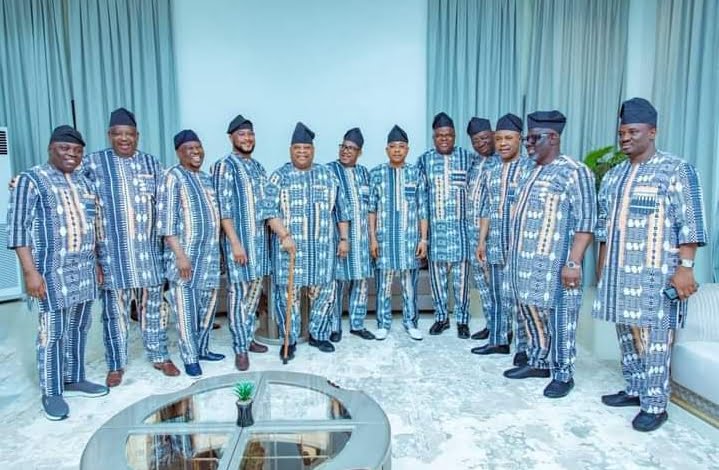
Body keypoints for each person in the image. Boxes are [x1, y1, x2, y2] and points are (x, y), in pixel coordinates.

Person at [594, 98, 707, 432]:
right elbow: (603, 228)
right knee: (627, 335)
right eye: (621, 132)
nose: (625, 137)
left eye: (633, 131)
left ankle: (656, 404)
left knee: (655, 339)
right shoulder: (614, 176)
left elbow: (690, 222)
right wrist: (602, 269)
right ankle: (634, 389)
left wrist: (685, 267)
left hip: (657, 276)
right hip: (618, 274)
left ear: (652, 132)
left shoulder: (676, 170)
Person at [7, 125, 109, 420]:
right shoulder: (31, 180)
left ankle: (74, 378)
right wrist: (30, 273)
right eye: (65, 149)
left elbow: (94, 225)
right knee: (51, 332)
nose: (72, 155)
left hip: (85, 268)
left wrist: (98, 264)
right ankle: (51, 390)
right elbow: (17, 230)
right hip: (49, 271)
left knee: (79, 327)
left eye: (77, 151)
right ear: (51, 148)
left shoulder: (83, 182)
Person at [503, 111, 596, 398]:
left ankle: (562, 373)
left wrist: (573, 262)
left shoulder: (574, 171)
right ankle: (538, 361)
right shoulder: (530, 171)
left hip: (556, 265)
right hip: (523, 263)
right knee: (530, 313)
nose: (528, 144)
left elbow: (586, 221)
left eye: (533, 138)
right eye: (527, 138)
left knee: (560, 318)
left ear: (553, 138)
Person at [85, 107, 179, 387]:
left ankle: (160, 355)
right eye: (118, 134)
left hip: (148, 255)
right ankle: (116, 364)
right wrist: (19, 181)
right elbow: (66, 184)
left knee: (154, 310)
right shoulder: (92, 164)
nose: (124, 139)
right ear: (109, 135)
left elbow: (165, 205)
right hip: (112, 256)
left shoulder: (152, 164)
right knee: (115, 314)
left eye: (129, 134)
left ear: (137, 136)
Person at [260, 122, 351, 360]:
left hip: (322, 250)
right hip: (289, 249)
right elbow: (269, 211)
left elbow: (341, 211)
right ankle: (288, 339)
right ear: (291, 150)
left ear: (313, 150)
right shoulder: (279, 176)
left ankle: (318, 335)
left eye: (306, 148)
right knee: (288, 296)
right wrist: (284, 235)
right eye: (297, 148)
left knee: (325, 292)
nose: (302, 152)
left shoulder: (327, 175)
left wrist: (343, 238)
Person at [157, 130, 222, 377]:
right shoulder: (172, 177)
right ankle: (190, 357)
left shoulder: (206, 179)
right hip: (185, 257)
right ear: (178, 152)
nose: (195, 152)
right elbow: (166, 222)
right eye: (189, 149)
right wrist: (180, 255)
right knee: (186, 309)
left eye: (198, 148)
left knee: (207, 307)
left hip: (209, 256)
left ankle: (203, 348)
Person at [473, 113, 535, 364]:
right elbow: (486, 208)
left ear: (519, 139)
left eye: (508, 138)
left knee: (520, 298)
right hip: (496, 242)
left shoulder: (531, 167)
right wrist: (481, 241)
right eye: (498, 139)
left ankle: (523, 347)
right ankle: (498, 340)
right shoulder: (491, 169)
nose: (503, 143)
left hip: (520, 245)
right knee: (497, 294)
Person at [212, 114, 270, 371]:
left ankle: (248, 337)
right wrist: (235, 243)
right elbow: (223, 210)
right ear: (231, 138)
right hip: (240, 244)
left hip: (260, 245)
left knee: (254, 295)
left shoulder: (258, 167)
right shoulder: (224, 166)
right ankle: (239, 348)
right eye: (242, 134)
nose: (247, 138)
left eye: (250, 134)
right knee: (238, 295)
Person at [369, 125, 428, 340]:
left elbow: (423, 208)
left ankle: (411, 323)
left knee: (409, 287)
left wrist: (423, 239)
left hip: (409, 240)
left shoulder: (415, 173)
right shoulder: (376, 174)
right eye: (393, 147)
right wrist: (373, 238)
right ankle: (383, 324)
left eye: (401, 147)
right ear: (386, 150)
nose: (397, 150)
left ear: (407, 150)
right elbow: (371, 209)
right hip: (384, 241)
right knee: (383, 286)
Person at [418, 112, 474, 338]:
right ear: (434, 138)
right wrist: (423, 237)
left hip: (462, 234)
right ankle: (441, 318)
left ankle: (462, 320)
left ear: (455, 136)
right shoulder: (424, 160)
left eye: (448, 135)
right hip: (437, 234)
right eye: (440, 135)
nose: (444, 139)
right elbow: (421, 199)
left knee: (461, 283)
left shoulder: (468, 158)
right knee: (437, 281)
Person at [327, 128, 375, 342]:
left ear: (360, 152)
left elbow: (372, 206)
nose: (346, 151)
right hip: (339, 239)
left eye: (352, 149)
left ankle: (357, 324)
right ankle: (334, 326)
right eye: (344, 147)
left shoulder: (365, 173)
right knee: (336, 284)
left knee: (361, 282)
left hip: (362, 240)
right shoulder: (328, 171)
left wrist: (373, 238)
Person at [466, 117, 496, 341]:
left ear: (493, 134)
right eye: (476, 141)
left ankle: (502, 328)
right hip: (471, 233)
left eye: (484, 138)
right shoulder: (474, 163)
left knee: (494, 282)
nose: (481, 143)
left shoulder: (502, 162)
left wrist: (484, 239)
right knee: (482, 284)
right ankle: (491, 323)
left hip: (492, 235)